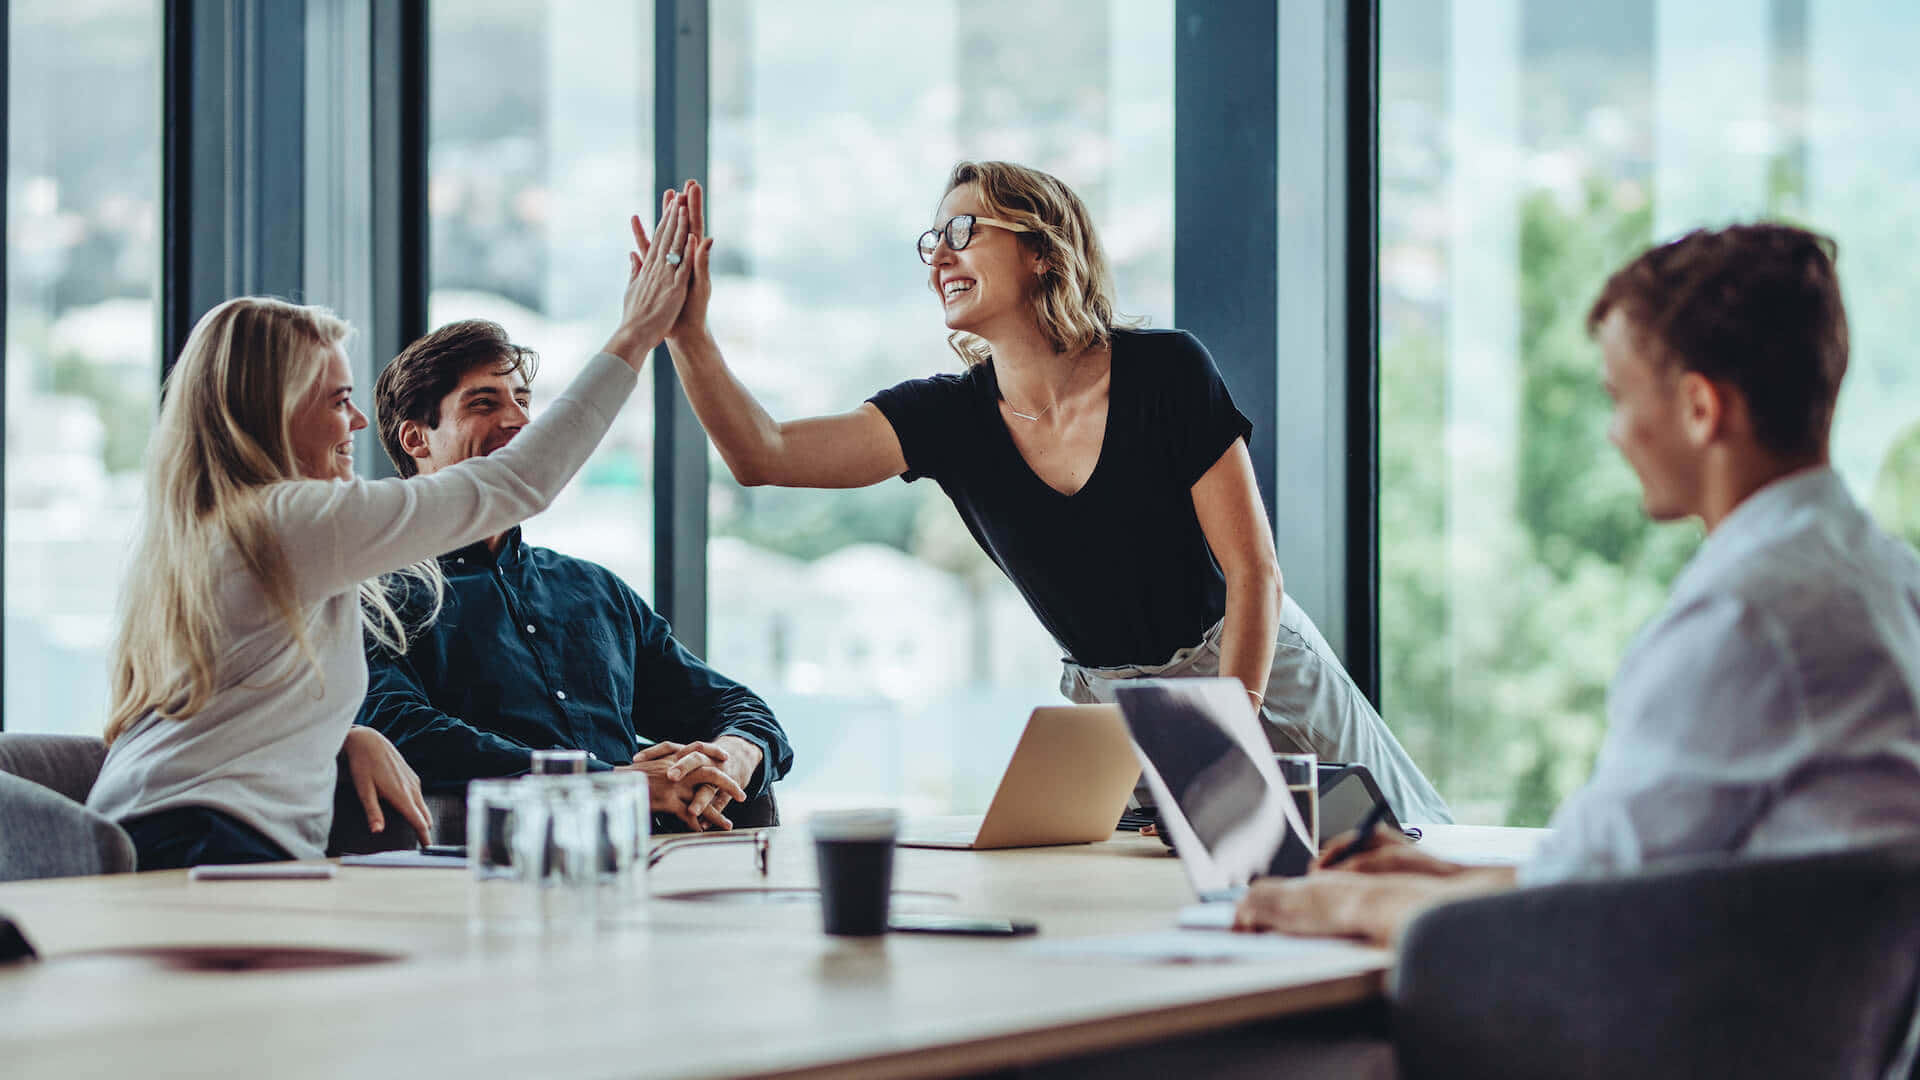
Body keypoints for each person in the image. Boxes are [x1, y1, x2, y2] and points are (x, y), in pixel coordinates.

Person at [647, 162, 1451, 824]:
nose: (939, 257)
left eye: (965, 231)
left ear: (1041, 249)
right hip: (1116, 713)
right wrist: (689, 333)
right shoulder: (947, 417)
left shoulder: (1166, 370)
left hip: (1254, 671)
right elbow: (764, 453)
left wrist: (1223, 732)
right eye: (933, 242)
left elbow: (1254, 575)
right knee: (1164, 908)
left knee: (1400, 856)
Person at [1234, 223, 1920, 945]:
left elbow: (1577, 917)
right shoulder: (1884, 578)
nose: (1615, 434)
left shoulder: (1747, 615)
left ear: (1699, 409)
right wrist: (1434, 875)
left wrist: (1337, 906)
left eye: (1621, 398)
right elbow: (1616, 871)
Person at [85, 192, 699, 869]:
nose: (356, 424)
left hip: (161, 829)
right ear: (271, 410)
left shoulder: (220, 528)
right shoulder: (283, 521)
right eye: (338, 400)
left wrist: (346, 735)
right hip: (200, 841)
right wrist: (635, 335)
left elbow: (239, 701)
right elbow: (517, 483)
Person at [356, 319, 794, 833]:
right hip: (492, 870)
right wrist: (607, 781)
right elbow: (400, 729)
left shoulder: (594, 589)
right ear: (416, 438)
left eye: (522, 400)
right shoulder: (377, 594)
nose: (518, 420)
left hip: (652, 867)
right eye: (483, 403)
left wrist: (732, 756)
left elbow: (735, 705)